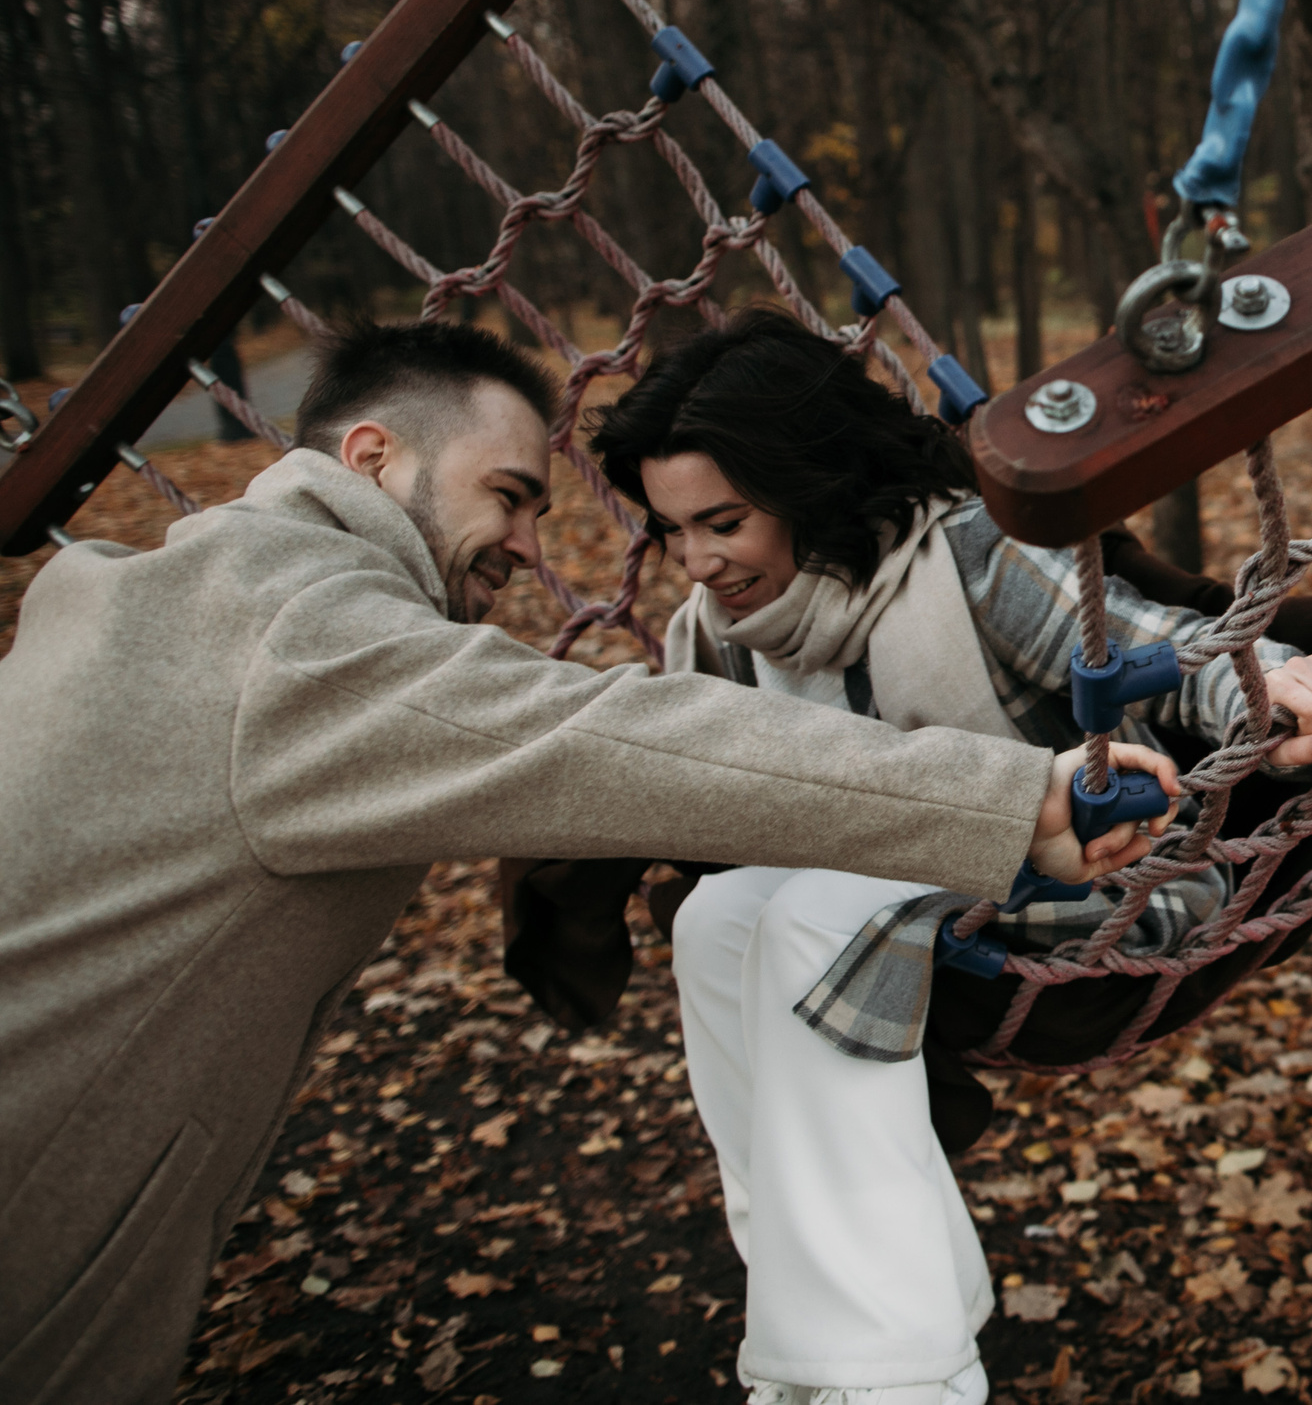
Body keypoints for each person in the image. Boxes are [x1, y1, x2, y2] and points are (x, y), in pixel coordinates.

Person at [0, 320, 1173, 1405]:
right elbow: (620, 739)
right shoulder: (299, 637)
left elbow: (1154, 642)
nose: (527, 542)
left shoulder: (125, 587)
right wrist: (1016, 793)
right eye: (506, 495)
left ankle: (879, 1348)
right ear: (369, 456)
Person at [576, 312, 1312, 1405]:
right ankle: (842, 1330)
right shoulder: (719, 635)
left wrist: (1269, 687)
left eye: (723, 522)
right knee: (714, 922)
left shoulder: (954, 557)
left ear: (809, 490)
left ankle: (903, 1385)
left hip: (1099, 889)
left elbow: (1143, 645)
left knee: (812, 913)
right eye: (676, 533)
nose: (700, 562)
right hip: (912, 916)